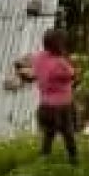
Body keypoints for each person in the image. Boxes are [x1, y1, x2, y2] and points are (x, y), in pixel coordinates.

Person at [30, 30, 78, 161]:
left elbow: (34, 69)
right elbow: (73, 75)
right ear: (59, 45)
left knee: (49, 133)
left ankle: (44, 157)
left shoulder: (39, 57)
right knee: (68, 133)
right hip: (62, 106)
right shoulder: (60, 64)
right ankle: (73, 159)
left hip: (45, 106)